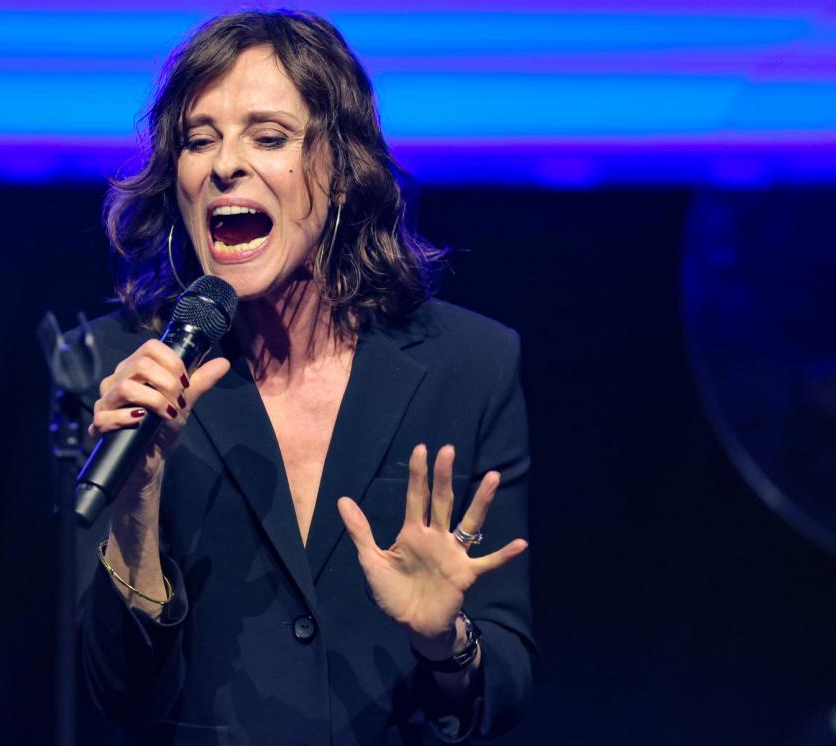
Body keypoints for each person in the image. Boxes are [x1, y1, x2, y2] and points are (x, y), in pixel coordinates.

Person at [78, 9, 534, 745]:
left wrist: (442, 640)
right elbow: (110, 698)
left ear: (343, 175)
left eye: (268, 136)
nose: (224, 163)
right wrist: (137, 503)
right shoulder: (120, 372)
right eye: (199, 140)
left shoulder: (470, 366)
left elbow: (504, 691)